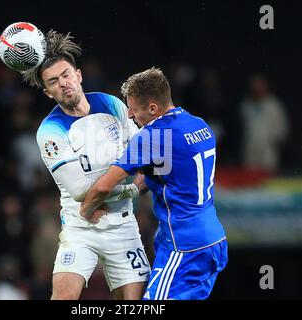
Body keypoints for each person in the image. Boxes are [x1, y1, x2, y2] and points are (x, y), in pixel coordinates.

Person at [21, 30, 150, 300]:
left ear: (78, 75)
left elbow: (142, 153)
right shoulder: (50, 131)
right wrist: (132, 190)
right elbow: (81, 191)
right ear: (47, 92)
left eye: (66, 75)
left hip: (123, 225)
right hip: (81, 227)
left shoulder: (111, 104)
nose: (63, 83)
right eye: (54, 82)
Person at [80, 68, 228, 300]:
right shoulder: (198, 124)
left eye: (133, 108)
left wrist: (86, 210)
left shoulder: (153, 136)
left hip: (185, 245)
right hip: (212, 239)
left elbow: (103, 186)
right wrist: (133, 190)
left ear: (152, 109)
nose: (129, 115)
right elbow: (166, 175)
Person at [240, 74, 289, 173]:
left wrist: (275, 139)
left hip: (268, 145)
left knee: (269, 172)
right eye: (255, 85)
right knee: (251, 172)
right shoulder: (246, 105)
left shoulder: (273, 104)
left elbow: (281, 124)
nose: (257, 88)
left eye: (260, 85)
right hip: (251, 145)